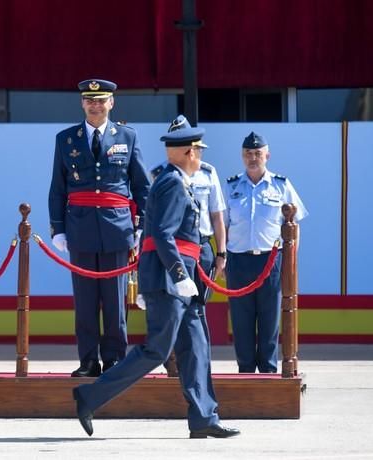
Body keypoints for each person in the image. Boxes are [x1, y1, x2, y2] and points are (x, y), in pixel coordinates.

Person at [72, 116, 240, 439]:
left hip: (180, 279)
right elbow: (161, 236)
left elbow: (154, 233)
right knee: (156, 351)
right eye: (198, 152)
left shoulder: (170, 181)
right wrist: (178, 275)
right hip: (170, 281)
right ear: (189, 153)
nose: (200, 158)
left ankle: (204, 415)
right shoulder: (172, 184)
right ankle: (89, 396)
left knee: (197, 346)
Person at [48, 79, 149, 377]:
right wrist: (58, 228)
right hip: (79, 227)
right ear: (82, 103)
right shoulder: (66, 139)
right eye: (89, 100)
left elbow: (141, 185)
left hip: (117, 228)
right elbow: (58, 188)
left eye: (101, 100)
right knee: (85, 300)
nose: (95, 105)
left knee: (116, 300)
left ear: (111, 103)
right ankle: (89, 360)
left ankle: (116, 359)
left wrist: (142, 224)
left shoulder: (127, 137)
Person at [224, 132, 307, 373]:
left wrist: (290, 261)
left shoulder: (281, 185)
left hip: (271, 261)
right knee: (241, 321)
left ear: (267, 155)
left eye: (258, 154)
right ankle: (246, 371)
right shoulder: (231, 186)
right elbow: (224, 225)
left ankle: (269, 371)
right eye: (248, 154)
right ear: (242, 156)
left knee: (270, 320)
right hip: (239, 261)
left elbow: (294, 225)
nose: (253, 158)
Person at [150, 121, 227, 372]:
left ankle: (198, 362)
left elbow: (217, 215)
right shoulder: (161, 174)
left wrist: (221, 251)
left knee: (197, 309)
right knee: (172, 309)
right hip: (174, 249)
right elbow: (156, 221)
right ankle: (173, 364)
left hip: (202, 247)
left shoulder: (207, 172)